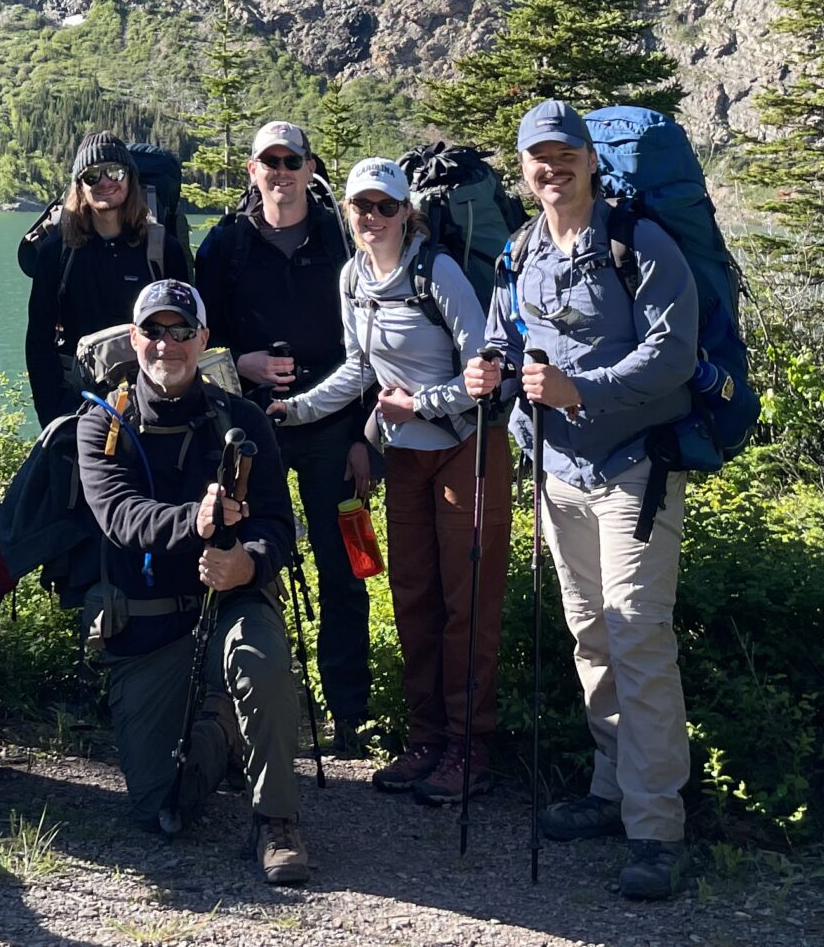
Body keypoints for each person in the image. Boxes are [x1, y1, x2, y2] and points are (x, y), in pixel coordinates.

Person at [464, 101, 701, 903]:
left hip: (635, 467)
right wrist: (488, 369)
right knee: (591, 634)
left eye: (565, 153)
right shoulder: (521, 250)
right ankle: (611, 789)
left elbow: (675, 353)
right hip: (557, 473)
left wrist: (580, 390)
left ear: (591, 161)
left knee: (637, 638)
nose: (551, 166)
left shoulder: (640, 243)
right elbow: (504, 332)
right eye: (538, 155)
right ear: (525, 167)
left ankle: (658, 828)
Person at [271, 157, 506, 805]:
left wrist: (419, 405)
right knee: (412, 600)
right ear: (347, 212)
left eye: (383, 206)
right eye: (360, 207)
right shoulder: (353, 279)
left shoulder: (440, 273)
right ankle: (426, 739)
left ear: (406, 211)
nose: (371, 217)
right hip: (403, 458)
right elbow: (357, 371)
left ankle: (469, 747)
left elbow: (484, 375)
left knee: (467, 603)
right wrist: (297, 410)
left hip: (465, 449)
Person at [76, 279, 310, 886]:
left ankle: (275, 823)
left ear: (203, 340)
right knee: (163, 806)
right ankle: (223, 729)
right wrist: (196, 519)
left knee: (261, 658)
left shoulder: (243, 418)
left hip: (228, 601)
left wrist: (248, 564)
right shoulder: (101, 423)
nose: (166, 344)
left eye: (182, 331)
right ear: (134, 339)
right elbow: (121, 517)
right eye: (153, 330)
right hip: (149, 626)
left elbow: (278, 526)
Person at [193, 119, 372, 750]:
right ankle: (249, 709)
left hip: (332, 425)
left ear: (309, 167)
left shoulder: (341, 239)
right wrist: (240, 363)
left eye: (292, 160)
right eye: (269, 161)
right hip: (250, 429)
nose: (281, 172)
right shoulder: (225, 245)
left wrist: (363, 438)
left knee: (343, 568)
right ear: (253, 171)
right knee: (244, 563)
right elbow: (195, 339)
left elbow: (373, 342)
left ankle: (349, 714)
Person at [23, 133, 193, 427]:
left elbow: (187, 330)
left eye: (115, 171)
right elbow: (38, 340)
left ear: (131, 179)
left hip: (152, 402)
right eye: (92, 175)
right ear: (80, 186)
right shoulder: (58, 252)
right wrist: (52, 413)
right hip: (78, 402)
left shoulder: (163, 249)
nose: (104, 182)